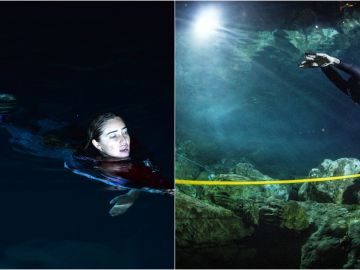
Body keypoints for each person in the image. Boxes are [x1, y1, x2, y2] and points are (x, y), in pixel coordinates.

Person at [65, 112, 173, 216]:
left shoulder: (136, 149)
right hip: (60, 142)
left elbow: (151, 178)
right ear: (97, 145)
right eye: (113, 136)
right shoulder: (79, 160)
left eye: (125, 132)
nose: (124, 140)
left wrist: (132, 194)